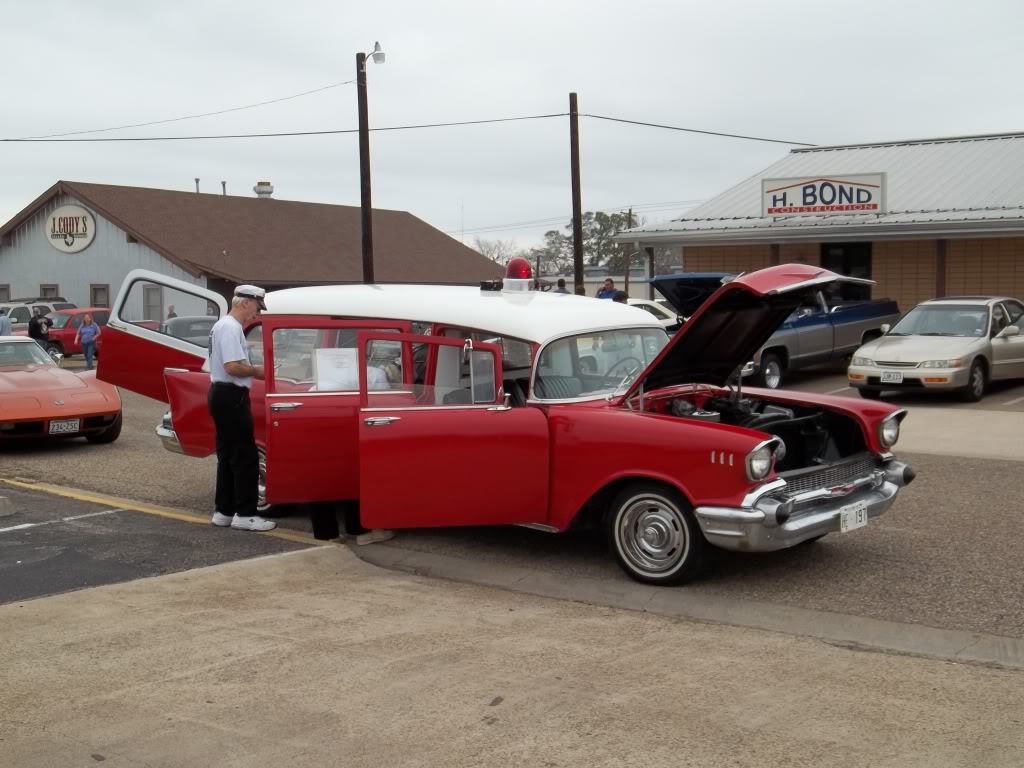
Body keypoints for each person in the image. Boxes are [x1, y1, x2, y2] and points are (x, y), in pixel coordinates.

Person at [207, 286, 276, 532]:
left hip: (222, 394)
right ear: (245, 303)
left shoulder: (222, 326)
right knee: (245, 456)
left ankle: (223, 511)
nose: (256, 314)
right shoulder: (231, 327)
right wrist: (258, 371)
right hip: (231, 394)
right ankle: (245, 514)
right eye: (257, 308)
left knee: (226, 456)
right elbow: (233, 367)